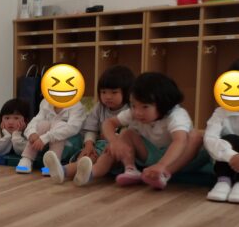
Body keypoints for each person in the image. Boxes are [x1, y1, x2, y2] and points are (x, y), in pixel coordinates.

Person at [72, 72, 204, 190]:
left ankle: (164, 173)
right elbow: (109, 123)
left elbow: (179, 141)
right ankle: (127, 170)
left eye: (145, 107)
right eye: (134, 105)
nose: (138, 112)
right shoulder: (134, 113)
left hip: (177, 159)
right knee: (126, 133)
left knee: (196, 136)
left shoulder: (176, 115)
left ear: (163, 104)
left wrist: (162, 165)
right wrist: (114, 141)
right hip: (150, 156)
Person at [43, 65, 134, 185]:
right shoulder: (100, 107)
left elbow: (129, 134)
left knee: (99, 157)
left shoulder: (130, 110)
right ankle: (62, 171)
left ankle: (83, 173)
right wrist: (89, 145)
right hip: (98, 146)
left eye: (114, 92)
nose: (108, 96)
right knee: (86, 156)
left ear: (127, 92)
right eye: (103, 92)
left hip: (117, 152)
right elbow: (91, 129)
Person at [16, 96, 86, 174]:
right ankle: (27, 158)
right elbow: (36, 120)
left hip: (70, 143)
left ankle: (53, 164)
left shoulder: (76, 105)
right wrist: (31, 133)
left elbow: (72, 128)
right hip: (45, 143)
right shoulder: (45, 102)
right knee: (43, 124)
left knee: (60, 125)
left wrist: (45, 138)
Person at [203, 62, 239, 202]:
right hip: (225, 163)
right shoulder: (221, 112)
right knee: (230, 138)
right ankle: (223, 181)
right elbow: (210, 138)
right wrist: (231, 156)